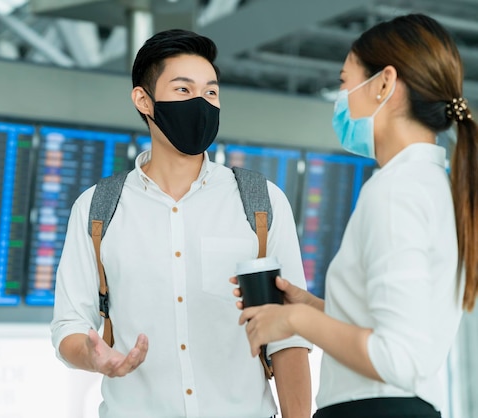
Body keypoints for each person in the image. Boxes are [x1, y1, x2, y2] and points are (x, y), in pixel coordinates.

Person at [51, 29, 312, 417]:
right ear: (144, 99)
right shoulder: (97, 209)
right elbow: (69, 325)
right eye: (183, 90)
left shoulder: (260, 201)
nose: (201, 103)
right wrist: (94, 358)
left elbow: (287, 335)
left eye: (211, 92)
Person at [234, 13, 478, 418]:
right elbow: (394, 328)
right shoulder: (433, 184)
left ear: (384, 84)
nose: (340, 97)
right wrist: (312, 307)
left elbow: (396, 357)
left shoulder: (397, 190)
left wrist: (293, 320)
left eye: (345, 83)